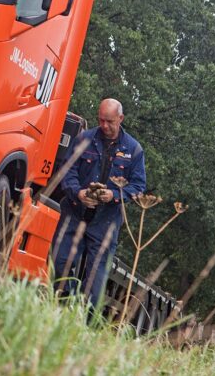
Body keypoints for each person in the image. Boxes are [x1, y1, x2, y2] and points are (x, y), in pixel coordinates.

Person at [52, 98, 146, 310]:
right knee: (60, 262)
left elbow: (138, 186)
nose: (104, 125)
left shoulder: (134, 150)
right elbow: (67, 170)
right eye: (101, 120)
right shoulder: (84, 139)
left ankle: (82, 320)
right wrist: (78, 192)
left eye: (110, 121)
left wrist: (113, 195)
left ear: (120, 119)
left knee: (95, 283)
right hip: (75, 213)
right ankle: (62, 308)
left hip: (106, 222)